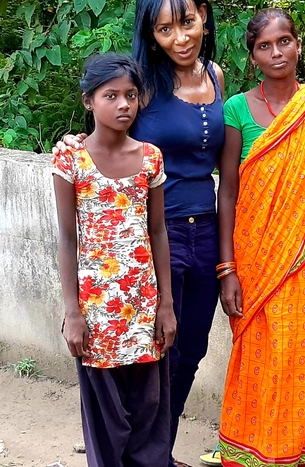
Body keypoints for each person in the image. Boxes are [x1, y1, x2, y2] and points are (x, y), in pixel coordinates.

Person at [54, 0, 224, 466]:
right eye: (164, 28)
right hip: (152, 234)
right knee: (154, 355)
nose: (179, 37)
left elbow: (223, 161)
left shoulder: (215, 76)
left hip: (204, 229)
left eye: (186, 22)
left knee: (189, 348)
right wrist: (74, 140)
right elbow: (107, 123)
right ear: (150, 33)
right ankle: (139, 455)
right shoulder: (143, 81)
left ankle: (156, 453)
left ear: (203, 18)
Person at [216, 8, 305, 467]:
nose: (277, 53)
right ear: (252, 56)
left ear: (297, 45)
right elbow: (228, 192)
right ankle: (255, 452)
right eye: (264, 46)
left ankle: (302, 454)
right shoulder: (236, 108)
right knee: (266, 359)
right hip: (255, 260)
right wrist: (227, 269)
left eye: (284, 42)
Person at [52, 52, 176, 466]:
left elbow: (158, 232)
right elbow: (68, 239)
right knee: (107, 422)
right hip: (97, 313)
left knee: (148, 414)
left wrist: (166, 305)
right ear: (89, 101)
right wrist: (72, 313)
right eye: (111, 95)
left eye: (131, 95)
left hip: (143, 309)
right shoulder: (70, 160)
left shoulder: (151, 158)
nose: (124, 104)